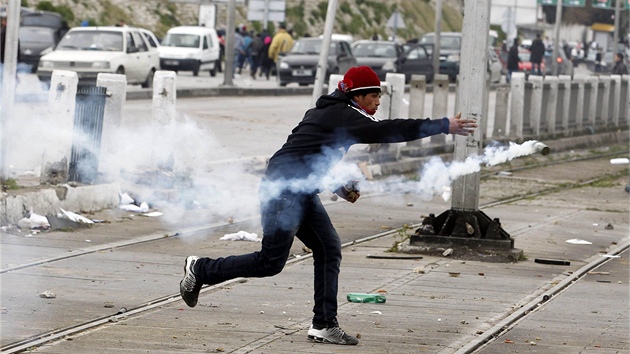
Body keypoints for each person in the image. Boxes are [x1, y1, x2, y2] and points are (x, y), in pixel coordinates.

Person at [179, 66, 477, 346]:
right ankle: (200, 268)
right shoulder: (343, 114)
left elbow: (311, 154)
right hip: (284, 191)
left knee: (329, 248)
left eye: (379, 96)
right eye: (373, 96)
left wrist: (337, 185)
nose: (377, 102)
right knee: (270, 262)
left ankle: (323, 324)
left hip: (302, 191)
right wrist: (443, 125)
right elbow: (387, 131)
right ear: (357, 95)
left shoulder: (336, 114)